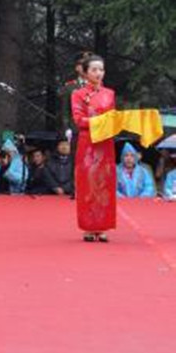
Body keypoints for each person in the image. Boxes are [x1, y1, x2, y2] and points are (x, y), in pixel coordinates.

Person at [72, 54, 116, 242]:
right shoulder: (78, 94)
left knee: (104, 183)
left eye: (101, 69)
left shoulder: (109, 93)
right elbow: (78, 119)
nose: (99, 73)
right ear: (86, 72)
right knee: (88, 184)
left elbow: (113, 118)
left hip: (105, 143)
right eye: (94, 69)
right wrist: (99, 121)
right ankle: (89, 227)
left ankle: (103, 226)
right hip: (88, 143)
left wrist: (112, 122)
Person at [58, 51, 91, 143]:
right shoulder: (70, 87)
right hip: (76, 130)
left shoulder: (98, 87)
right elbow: (65, 111)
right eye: (83, 64)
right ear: (77, 67)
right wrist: (67, 128)